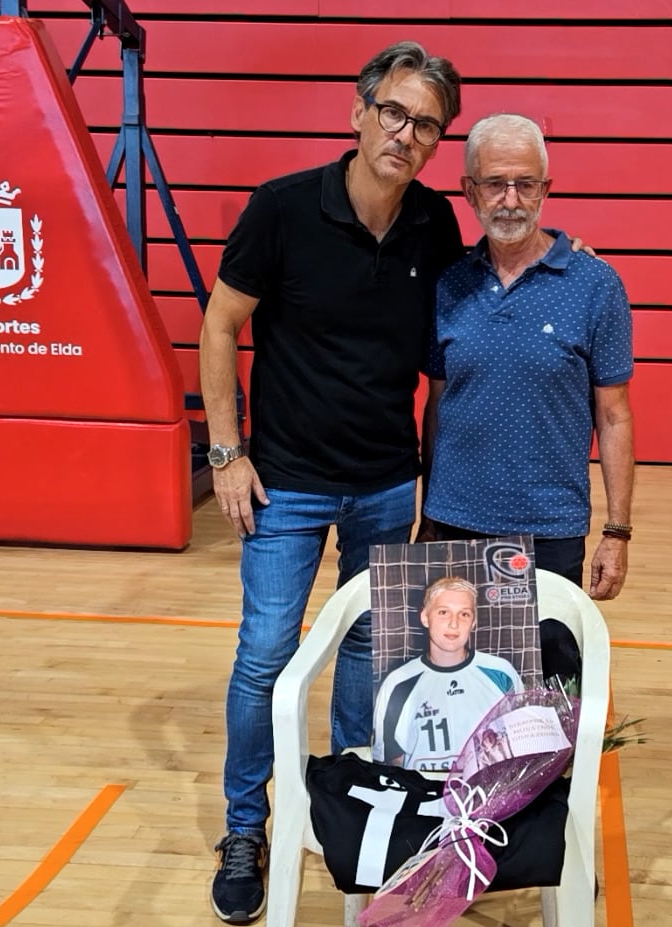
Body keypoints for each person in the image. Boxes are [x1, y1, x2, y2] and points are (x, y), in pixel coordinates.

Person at [196, 42, 464, 925]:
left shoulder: (433, 225)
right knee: (267, 654)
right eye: (393, 111)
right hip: (287, 485)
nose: (406, 133)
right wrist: (226, 454)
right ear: (358, 112)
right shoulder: (281, 210)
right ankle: (247, 825)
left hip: (386, 484)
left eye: (426, 123)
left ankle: (346, 803)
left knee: (365, 653)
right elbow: (220, 324)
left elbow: (463, 331)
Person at [419, 114, 636, 617]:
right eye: (495, 183)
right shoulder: (448, 284)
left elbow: (614, 415)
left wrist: (617, 532)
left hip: (551, 527)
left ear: (545, 189)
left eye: (525, 184)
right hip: (454, 521)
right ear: (470, 191)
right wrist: (428, 514)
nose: (511, 199)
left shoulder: (596, 284)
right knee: (458, 679)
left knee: (550, 687)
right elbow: (437, 406)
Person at [372, 576, 524, 772]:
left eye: (464, 614)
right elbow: (391, 757)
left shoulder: (502, 673)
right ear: (425, 617)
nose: (454, 624)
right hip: (422, 792)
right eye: (443, 612)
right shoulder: (398, 682)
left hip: (489, 791)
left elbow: (522, 740)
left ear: (474, 622)